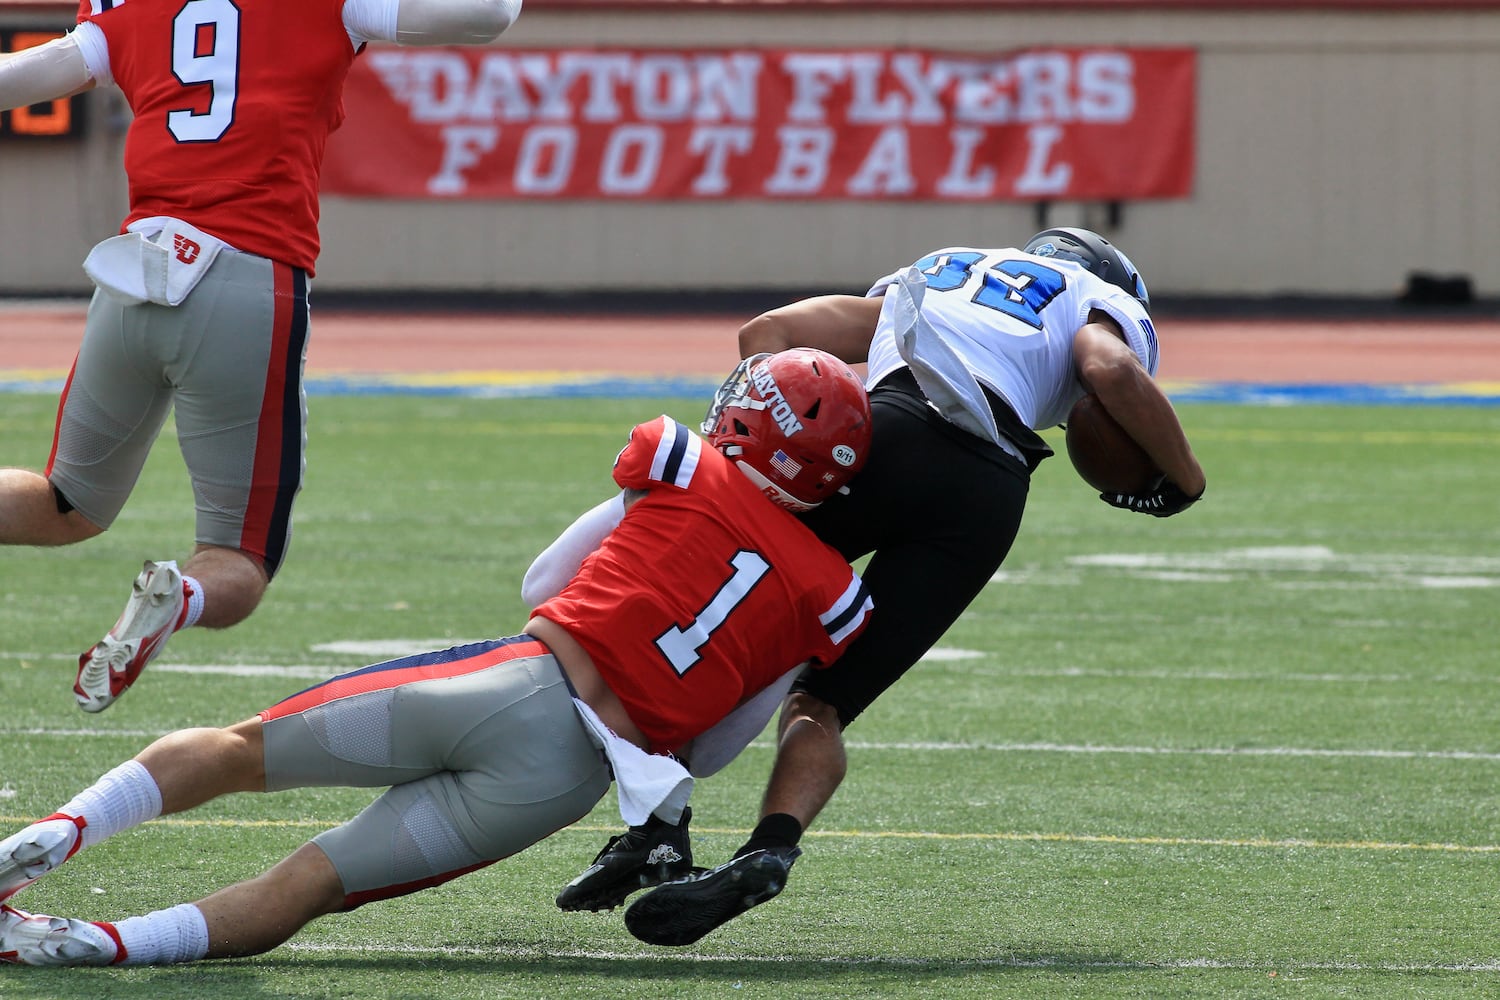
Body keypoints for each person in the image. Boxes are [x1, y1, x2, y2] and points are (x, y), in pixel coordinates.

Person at [0, 349, 876, 967]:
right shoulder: (828, 591)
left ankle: (63, 830)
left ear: (745, 419)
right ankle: (105, 946)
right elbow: (716, 750)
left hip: (507, 684)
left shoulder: (684, 463)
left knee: (241, 752)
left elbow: (545, 579)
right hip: (561, 782)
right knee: (313, 879)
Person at [550, 228, 1208, 947]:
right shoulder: (1097, 299)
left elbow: (764, 333)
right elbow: (1110, 371)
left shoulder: (943, 270)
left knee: (717, 620)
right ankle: (770, 846)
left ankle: (659, 830)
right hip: (988, 494)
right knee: (825, 700)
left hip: (883, 439)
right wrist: (1187, 480)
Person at [0, 0, 521, 713]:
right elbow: (489, 13)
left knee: (65, 502)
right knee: (236, 563)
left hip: (132, 276)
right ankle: (179, 597)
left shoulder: (131, 10)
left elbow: (17, 79)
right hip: (246, 279)